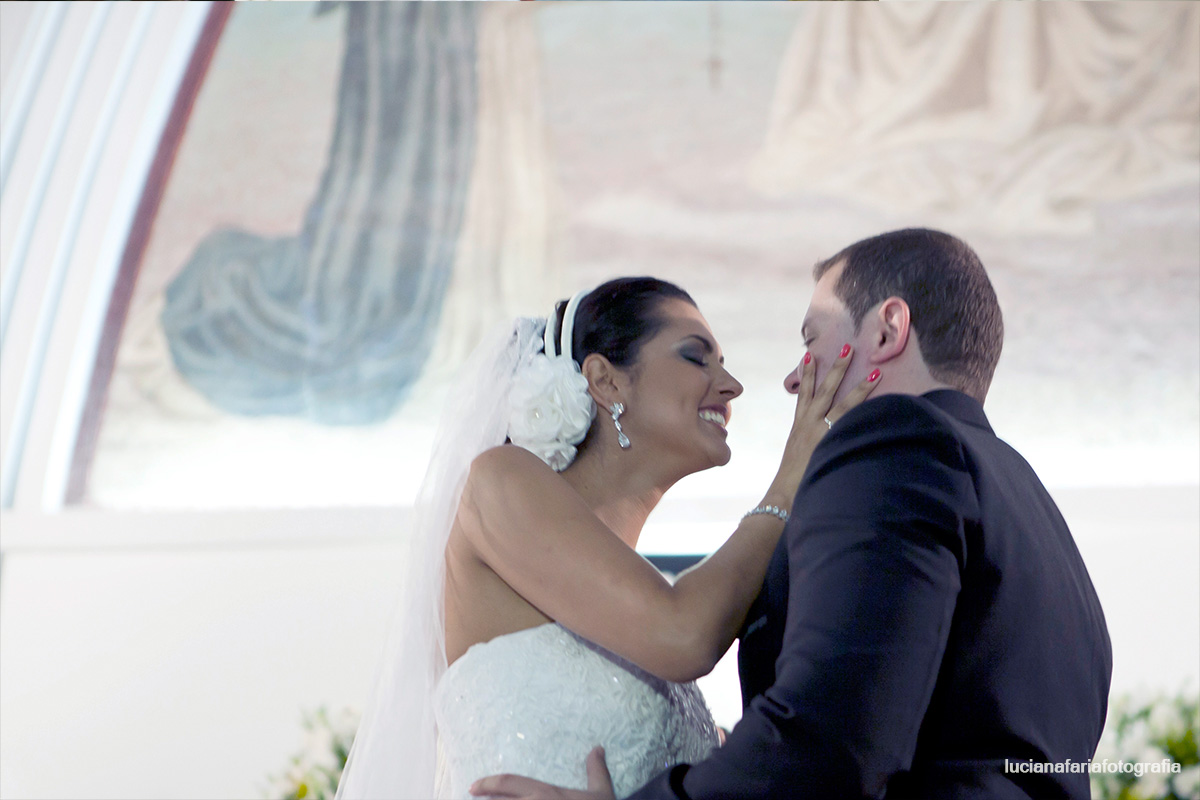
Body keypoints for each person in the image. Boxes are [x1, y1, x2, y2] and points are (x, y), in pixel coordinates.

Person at [470, 229, 1113, 800]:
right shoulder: (1032, 507)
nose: (764, 384)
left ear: (886, 330)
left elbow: (829, 743)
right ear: (605, 379)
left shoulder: (893, 444)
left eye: (812, 339)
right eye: (698, 356)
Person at [335, 277, 879, 799]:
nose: (732, 384)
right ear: (605, 380)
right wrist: (791, 476)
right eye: (697, 356)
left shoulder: (637, 605)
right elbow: (684, 634)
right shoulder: (499, 481)